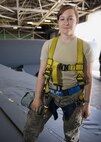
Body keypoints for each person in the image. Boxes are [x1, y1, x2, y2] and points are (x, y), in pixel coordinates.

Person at [22, 5, 94, 142]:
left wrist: (87, 104)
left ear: (77, 21)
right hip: (50, 93)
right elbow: (42, 73)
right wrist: (37, 98)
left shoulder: (85, 47)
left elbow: (88, 78)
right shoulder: (49, 45)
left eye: (70, 18)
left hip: (74, 97)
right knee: (31, 128)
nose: (66, 23)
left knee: (71, 134)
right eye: (62, 19)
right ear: (58, 22)